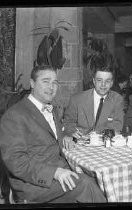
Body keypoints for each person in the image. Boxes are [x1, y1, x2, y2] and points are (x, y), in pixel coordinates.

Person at [0, 65, 107, 203]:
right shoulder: (15, 115)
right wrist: (55, 172)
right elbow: (16, 161)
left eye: (55, 82)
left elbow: (52, 139)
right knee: (85, 185)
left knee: (98, 179)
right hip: (33, 185)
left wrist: (66, 137)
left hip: (59, 170)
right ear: (32, 83)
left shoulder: (53, 110)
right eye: (45, 81)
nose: (51, 87)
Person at [63, 66, 124, 138]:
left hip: (105, 141)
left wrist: (98, 135)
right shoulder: (77, 99)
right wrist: (72, 131)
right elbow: (67, 122)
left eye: (107, 81)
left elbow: (118, 124)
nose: (103, 85)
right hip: (80, 141)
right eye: (99, 80)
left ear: (111, 83)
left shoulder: (117, 99)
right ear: (94, 81)